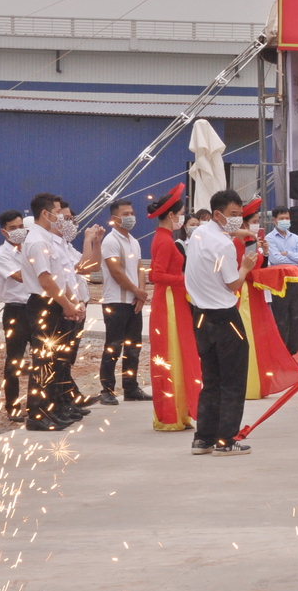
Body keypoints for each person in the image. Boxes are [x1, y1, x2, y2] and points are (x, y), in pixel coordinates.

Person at [183, 189, 259, 455]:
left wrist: (244, 234)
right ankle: (226, 439)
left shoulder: (199, 233)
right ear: (217, 214)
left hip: (200, 314)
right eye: (234, 215)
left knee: (211, 378)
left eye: (240, 214)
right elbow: (232, 284)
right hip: (225, 317)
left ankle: (203, 437)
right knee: (233, 380)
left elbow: (222, 234)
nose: (238, 220)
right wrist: (246, 267)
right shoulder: (224, 246)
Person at [20, 193, 84, 432]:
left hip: (56, 302)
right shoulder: (37, 241)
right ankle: (36, 414)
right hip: (43, 304)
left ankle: (51, 409)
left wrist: (71, 301)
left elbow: (62, 275)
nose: (61, 217)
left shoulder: (50, 240)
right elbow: (45, 279)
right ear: (45, 214)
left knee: (55, 359)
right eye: (57, 212)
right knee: (43, 361)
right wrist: (66, 304)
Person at [232, 198, 298, 399]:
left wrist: (266, 252)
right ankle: (248, 382)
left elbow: (258, 266)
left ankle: (258, 381)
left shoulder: (252, 242)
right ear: (245, 223)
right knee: (249, 335)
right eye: (254, 220)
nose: (257, 224)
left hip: (255, 292)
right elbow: (245, 269)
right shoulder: (239, 243)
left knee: (260, 335)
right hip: (244, 293)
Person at [147, 185, 200, 432]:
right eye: (180, 213)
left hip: (174, 300)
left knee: (178, 354)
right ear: (171, 216)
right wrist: (186, 280)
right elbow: (156, 275)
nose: (182, 218)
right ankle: (170, 414)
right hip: (168, 301)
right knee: (171, 354)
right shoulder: (165, 241)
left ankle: (179, 411)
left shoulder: (164, 238)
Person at [98, 198, 149, 406]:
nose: (130, 217)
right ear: (114, 218)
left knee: (133, 347)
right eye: (125, 214)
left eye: (131, 213)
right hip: (115, 301)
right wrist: (136, 290)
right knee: (113, 346)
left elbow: (139, 268)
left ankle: (131, 387)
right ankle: (107, 390)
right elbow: (116, 271)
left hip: (133, 301)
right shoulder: (111, 241)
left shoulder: (134, 241)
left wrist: (141, 292)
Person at [54, 199, 103, 410]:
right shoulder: (53, 246)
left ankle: (67, 398)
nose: (70, 223)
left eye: (72, 219)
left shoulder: (67, 246)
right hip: (64, 307)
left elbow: (92, 266)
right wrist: (86, 241)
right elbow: (82, 267)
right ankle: (62, 401)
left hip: (77, 307)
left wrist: (97, 242)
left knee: (68, 357)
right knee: (59, 358)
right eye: (65, 219)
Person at [0, 210, 30, 420]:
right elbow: (20, 277)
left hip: (35, 307)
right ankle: (12, 407)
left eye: (21, 226)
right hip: (16, 310)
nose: (18, 231)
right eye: (13, 228)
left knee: (42, 356)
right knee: (14, 361)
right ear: (3, 231)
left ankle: (37, 405)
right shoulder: (0, 255)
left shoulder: (29, 250)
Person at [264, 206, 298, 354]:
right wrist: (293, 260)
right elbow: (276, 259)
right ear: (274, 220)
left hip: (295, 280)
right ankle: (280, 354)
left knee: (296, 317)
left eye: (287, 218)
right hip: (279, 281)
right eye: (282, 218)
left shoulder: (295, 238)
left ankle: (291, 353)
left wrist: (288, 253)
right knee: (280, 318)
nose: (285, 221)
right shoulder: (269, 238)